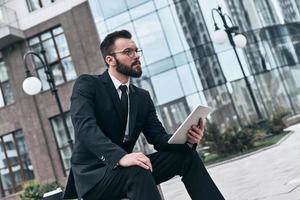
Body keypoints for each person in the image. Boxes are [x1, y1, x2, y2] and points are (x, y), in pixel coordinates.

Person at [63, 30, 224, 200]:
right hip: (94, 177)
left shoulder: (142, 97)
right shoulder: (88, 84)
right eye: (128, 52)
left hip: (125, 168)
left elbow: (158, 138)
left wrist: (187, 139)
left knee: (187, 156)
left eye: (136, 51)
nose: (136, 56)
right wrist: (120, 157)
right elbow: (85, 127)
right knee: (138, 168)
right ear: (110, 60)